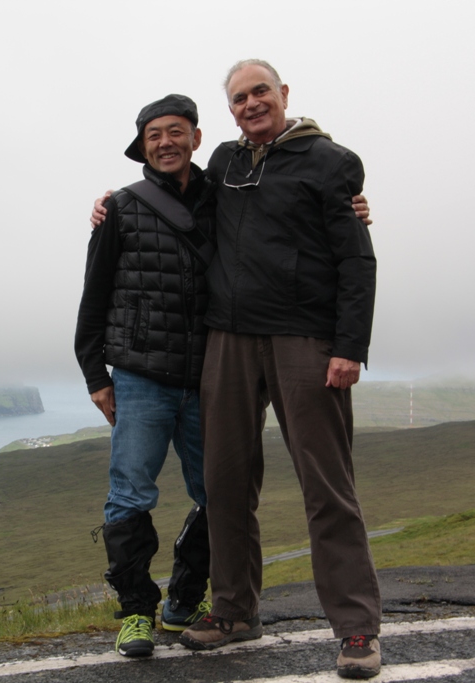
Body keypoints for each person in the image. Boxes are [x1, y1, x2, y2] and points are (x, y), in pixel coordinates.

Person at [175, 59, 382, 680]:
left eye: (260, 91)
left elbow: (357, 262)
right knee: (226, 482)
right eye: (238, 98)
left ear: (284, 94)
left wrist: (349, 347)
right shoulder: (224, 165)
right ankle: (235, 611)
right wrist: (112, 201)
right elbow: (180, 202)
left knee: (327, 488)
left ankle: (356, 630)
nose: (250, 104)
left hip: (305, 337)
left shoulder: (330, 162)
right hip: (229, 337)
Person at [75, 94, 216, 658]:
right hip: (139, 376)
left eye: (175, 131)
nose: (165, 142)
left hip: (210, 378)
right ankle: (136, 613)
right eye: (154, 134)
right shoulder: (121, 208)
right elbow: (94, 295)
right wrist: (95, 375)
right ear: (143, 145)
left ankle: (185, 600)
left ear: (195, 138)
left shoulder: (226, 202)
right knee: (129, 495)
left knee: (218, 495)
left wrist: (350, 208)